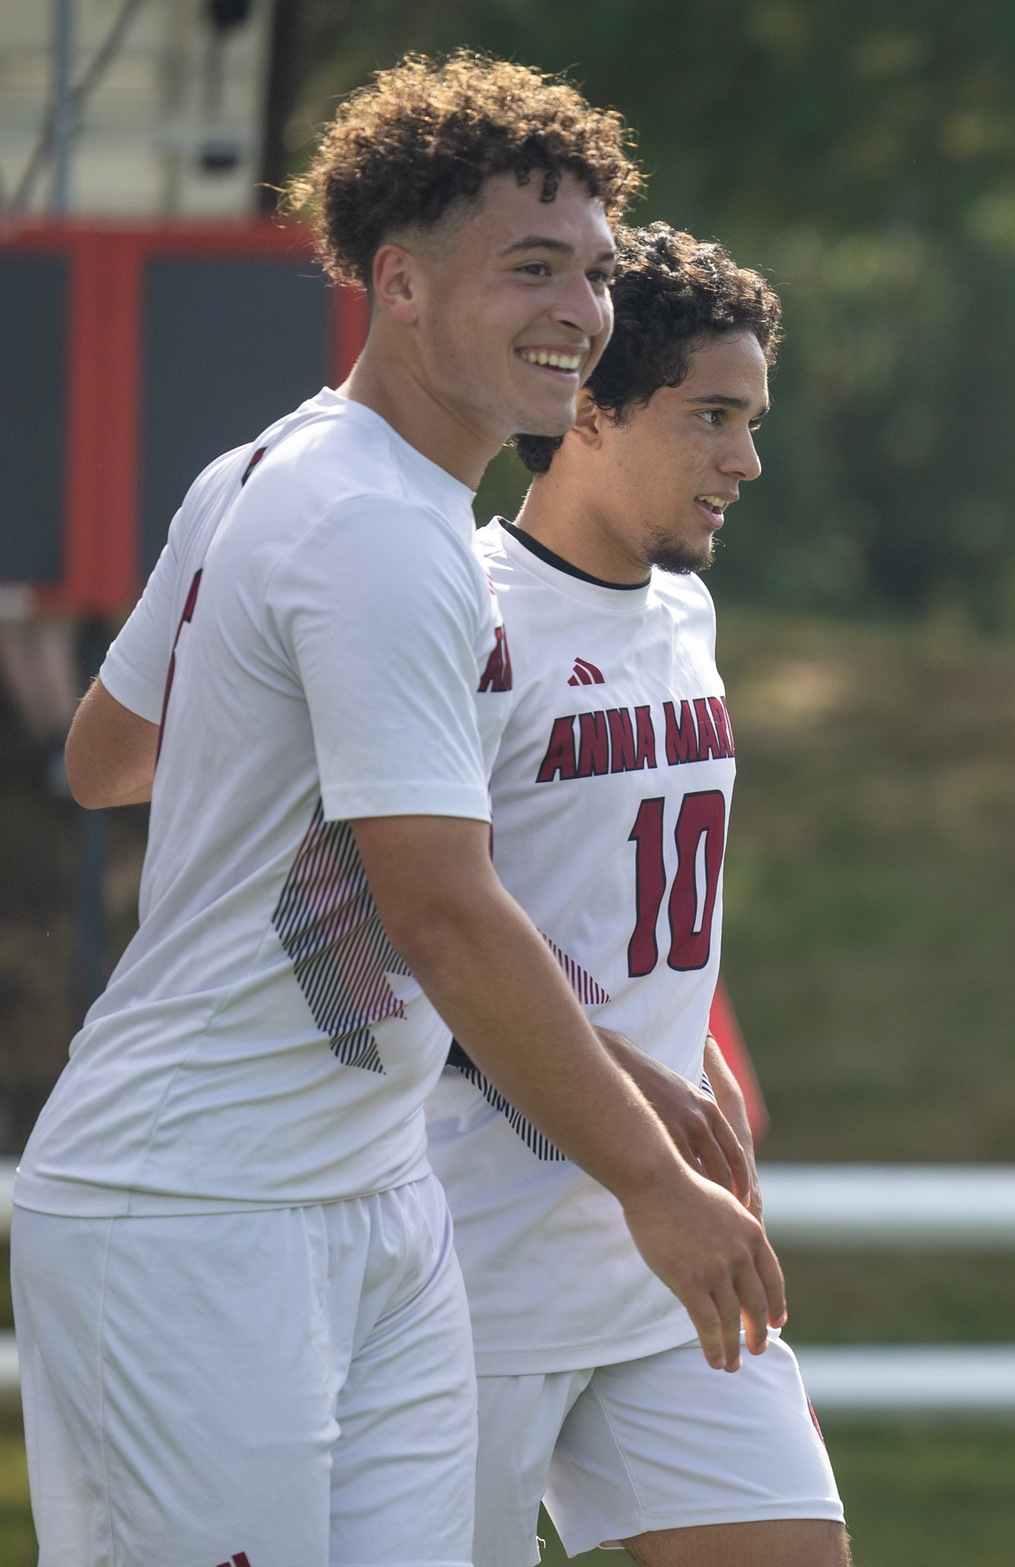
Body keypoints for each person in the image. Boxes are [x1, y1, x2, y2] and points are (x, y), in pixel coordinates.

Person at [26, 54, 783, 1564]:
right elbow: (439, 910)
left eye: (593, 273)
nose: (578, 310)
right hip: (189, 1203)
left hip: (373, 1196)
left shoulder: (265, 470)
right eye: (529, 269)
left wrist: (283, 737)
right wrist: (654, 1178)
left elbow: (103, 757)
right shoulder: (376, 532)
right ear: (402, 283)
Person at [438, 221, 848, 1567]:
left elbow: (610, 883)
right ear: (594, 407)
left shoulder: (684, 610)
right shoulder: (456, 612)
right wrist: (627, 1088)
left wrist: (704, 1050)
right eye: (713, 417)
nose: (748, 458)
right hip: (462, 1258)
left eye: (752, 418)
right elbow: (386, 939)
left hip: (661, 1255)